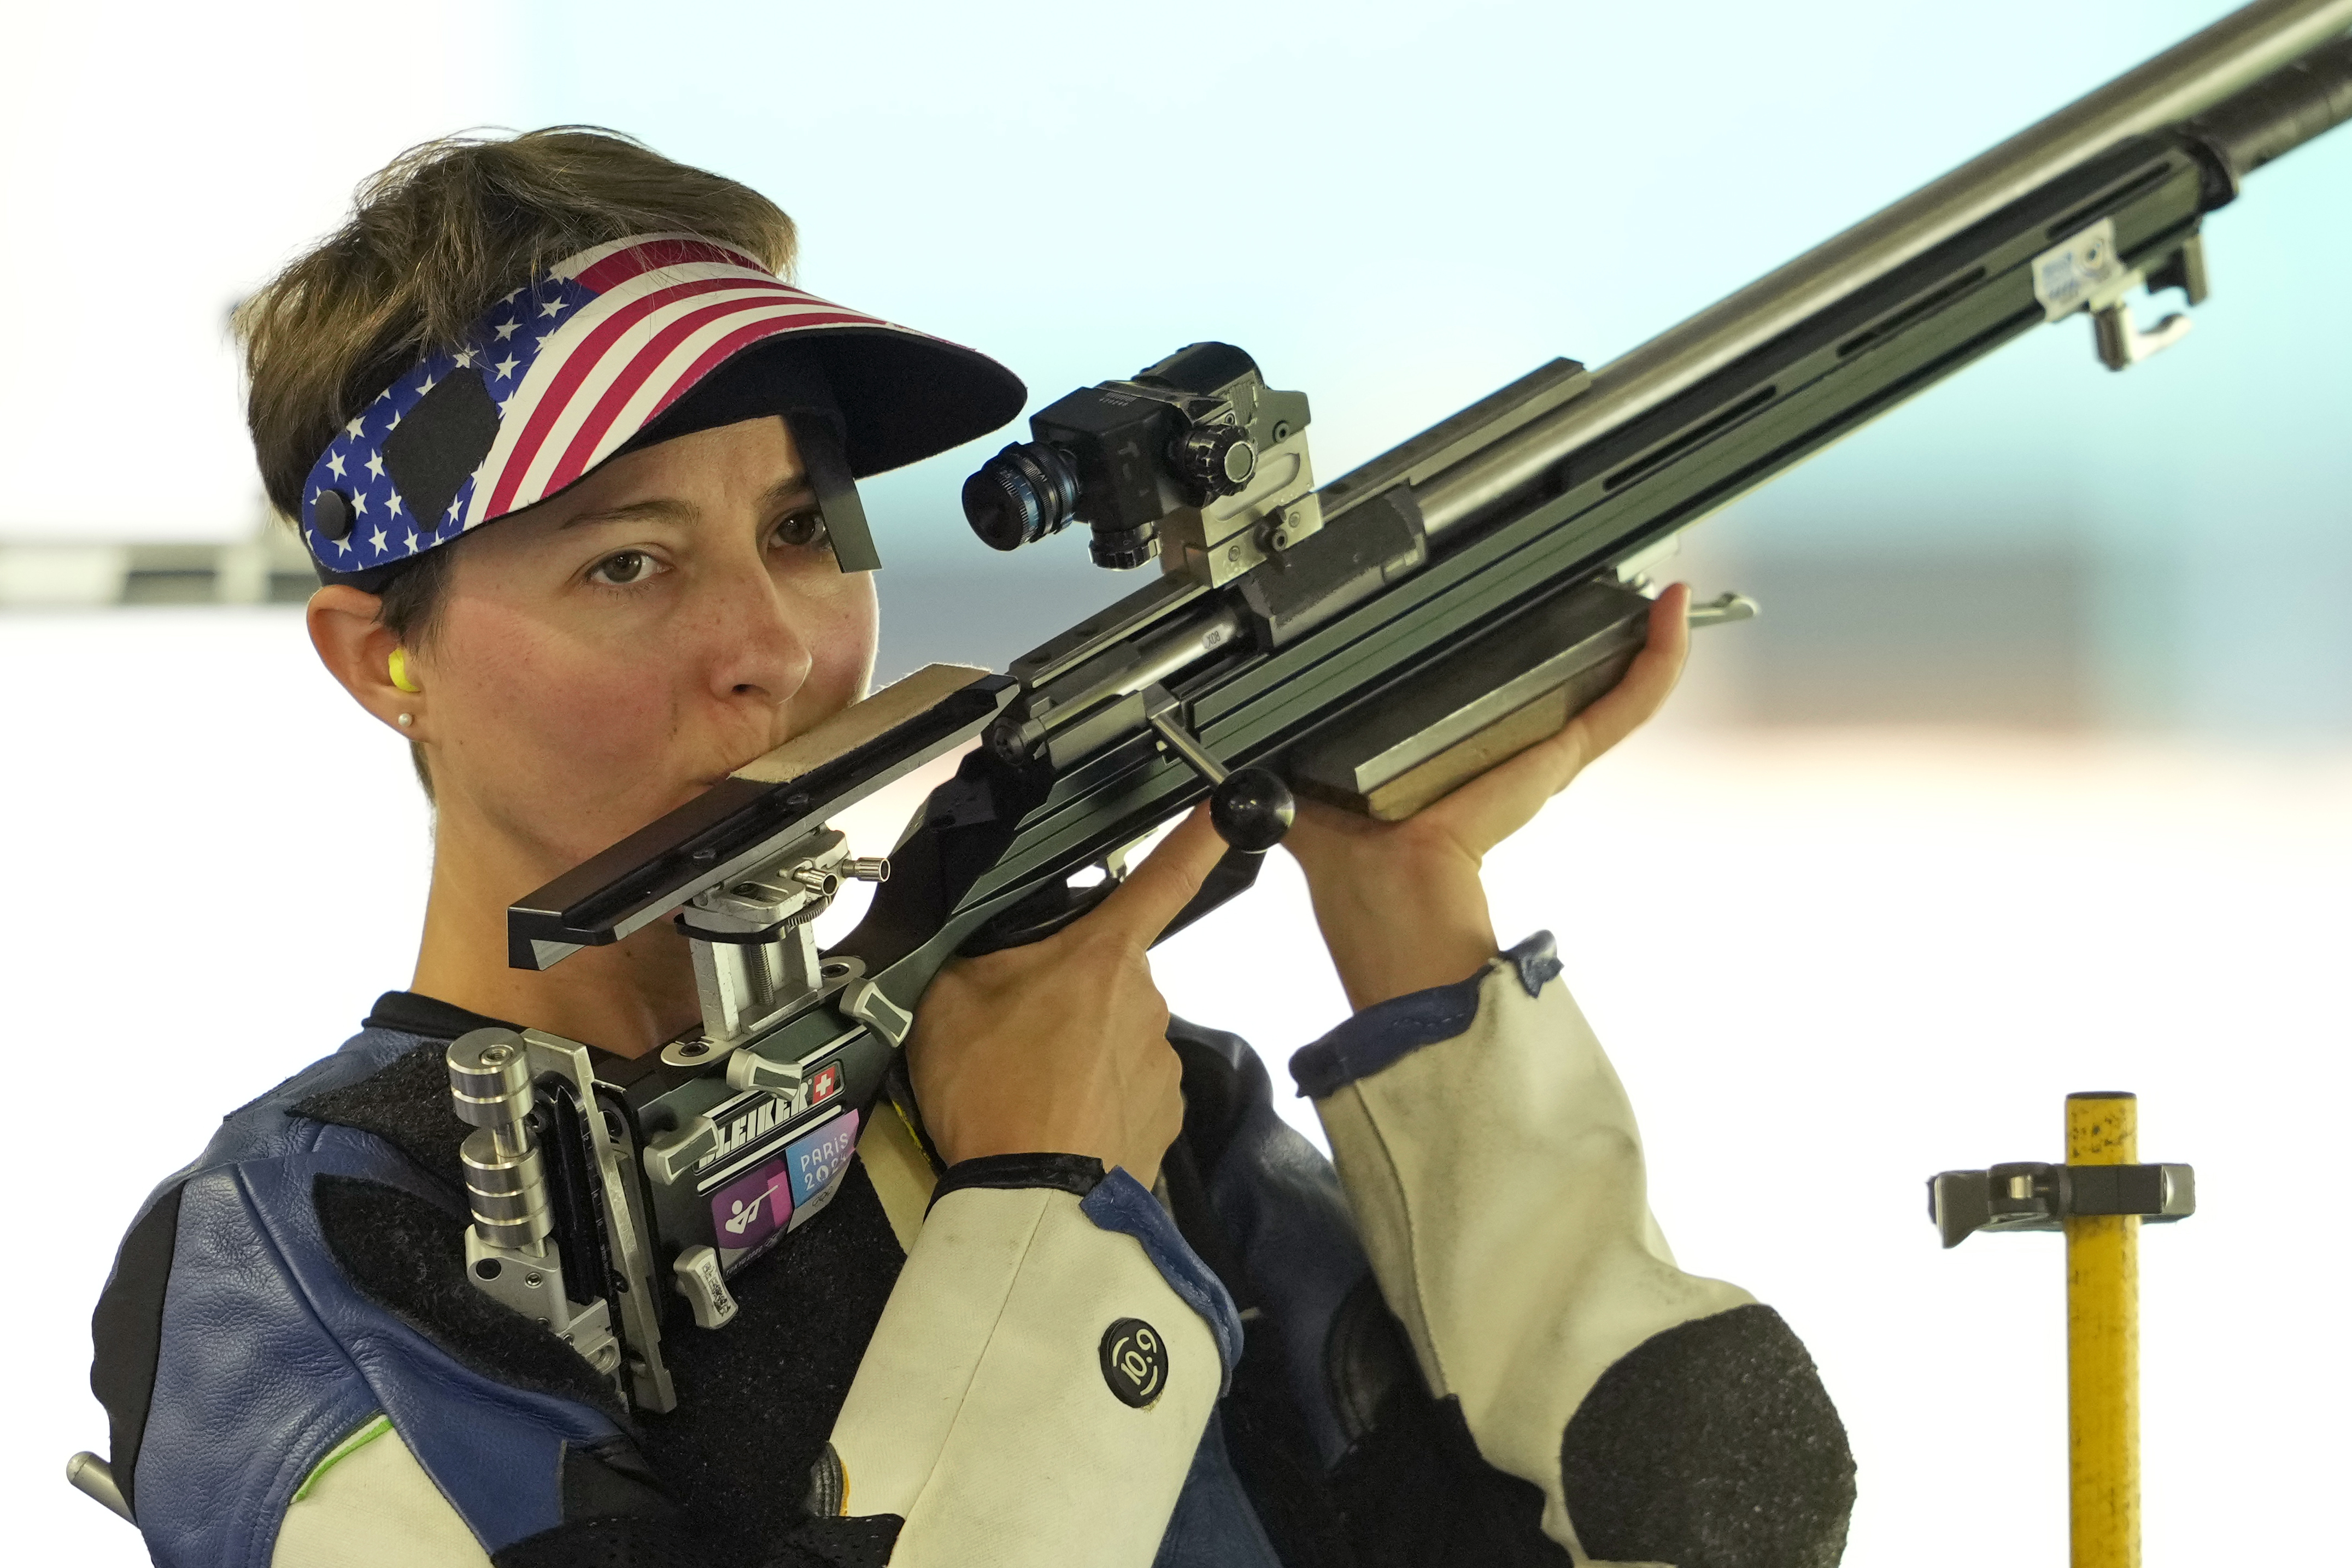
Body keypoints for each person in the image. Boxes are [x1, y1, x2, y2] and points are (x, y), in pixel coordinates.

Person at [87, 128, 1855, 1568]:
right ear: (379, 657)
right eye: (628, 562)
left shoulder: (1075, 1070)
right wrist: (1047, 1217)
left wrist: (1416, 942)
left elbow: (1705, 1514)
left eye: (799, 529)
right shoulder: (303, 1262)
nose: (768, 645)